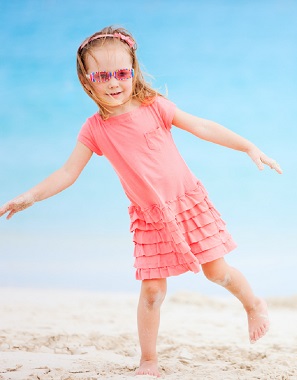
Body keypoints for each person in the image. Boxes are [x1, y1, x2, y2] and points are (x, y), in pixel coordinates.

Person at [0, 26, 282, 377]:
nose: (113, 82)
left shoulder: (154, 107)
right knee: (151, 291)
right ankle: (148, 361)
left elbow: (203, 127)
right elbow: (67, 173)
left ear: (133, 70)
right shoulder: (94, 129)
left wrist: (249, 147)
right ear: (87, 81)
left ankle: (253, 304)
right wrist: (29, 197)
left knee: (218, 272)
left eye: (121, 72)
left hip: (188, 204)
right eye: (102, 75)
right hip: (149, 219)